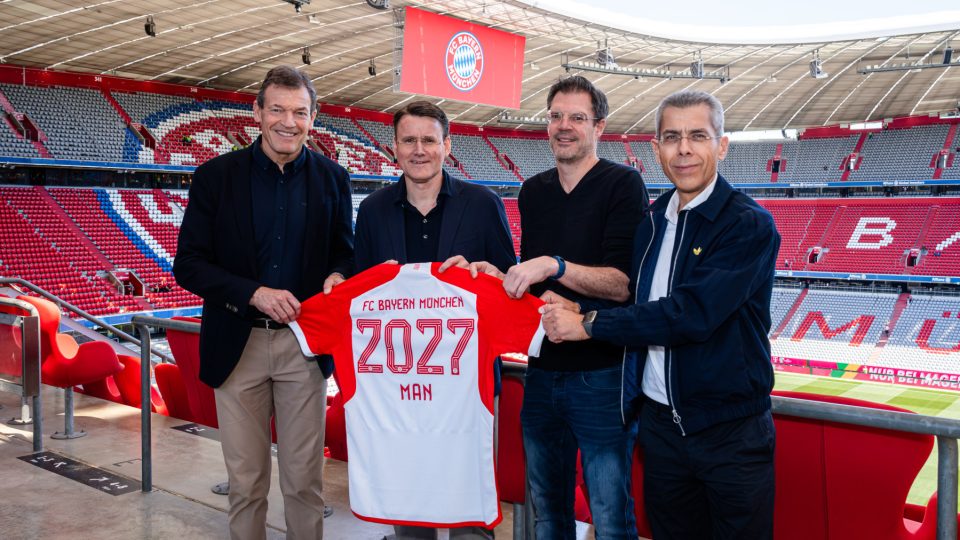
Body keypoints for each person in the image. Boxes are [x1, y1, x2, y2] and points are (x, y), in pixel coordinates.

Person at [541, 89, 781, 539]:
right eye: (672, 137)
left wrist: (589, 325)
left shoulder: (747, 224)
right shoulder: (652, 221)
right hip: (662, 431)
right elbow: (643, 304)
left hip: (729, 432)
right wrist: (582, 308)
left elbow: (691, 314)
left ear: (722, 146)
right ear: (656, 149)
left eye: (698, 136)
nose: (683, 149)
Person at [173, 65, 353, 540]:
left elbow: (345, 252)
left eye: (300, 112)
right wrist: (253, 292)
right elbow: (188, 264)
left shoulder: (334, 178)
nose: (288, 122)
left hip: (303, 347)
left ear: (313, 118)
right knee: (247, 483)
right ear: (257, 112)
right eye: (277, 110)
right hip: (238, 345)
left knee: (305, 484)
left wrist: (339, 274)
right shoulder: (215, 177)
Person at [470, 76, 648, 539]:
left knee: (610, 516)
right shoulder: (533, 192)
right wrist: (496, 277)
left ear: (599, 127)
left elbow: (623, 285)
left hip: (603, 373)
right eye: (556, 116)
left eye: (577, 117)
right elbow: (535, 288)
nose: (564, 126)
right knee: (547, 513)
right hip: (543, 370)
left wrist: (555, 265)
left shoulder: (623, 184)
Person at [353, 100, 516, 540]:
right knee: (410, 512)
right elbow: (358, 291)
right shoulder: (372, 210)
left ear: (447, 145)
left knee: (470, 518)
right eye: (409, 140)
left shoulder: (483, 204)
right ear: (394, 147)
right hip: (398, 389)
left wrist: (487, 274)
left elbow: (510, 284)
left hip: (468, 388)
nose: (419, 149)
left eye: (429, 140)